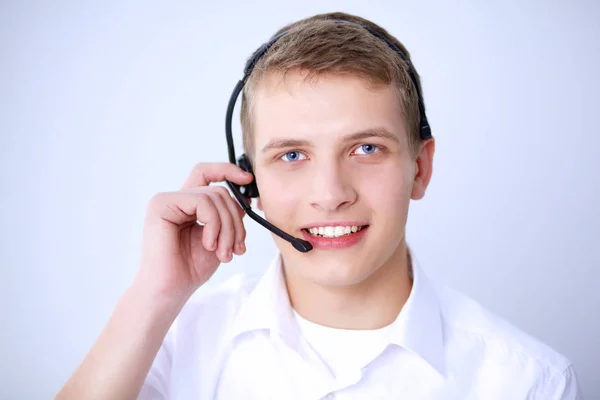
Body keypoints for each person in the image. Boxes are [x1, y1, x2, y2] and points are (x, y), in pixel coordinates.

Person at [56, 12, 582, 400]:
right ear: (247, 180)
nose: (330, 194)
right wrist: (155, 294)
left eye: (366, 149)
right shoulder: (176, 341)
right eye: (291, 155)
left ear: (419, 168)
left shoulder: (528, 380)